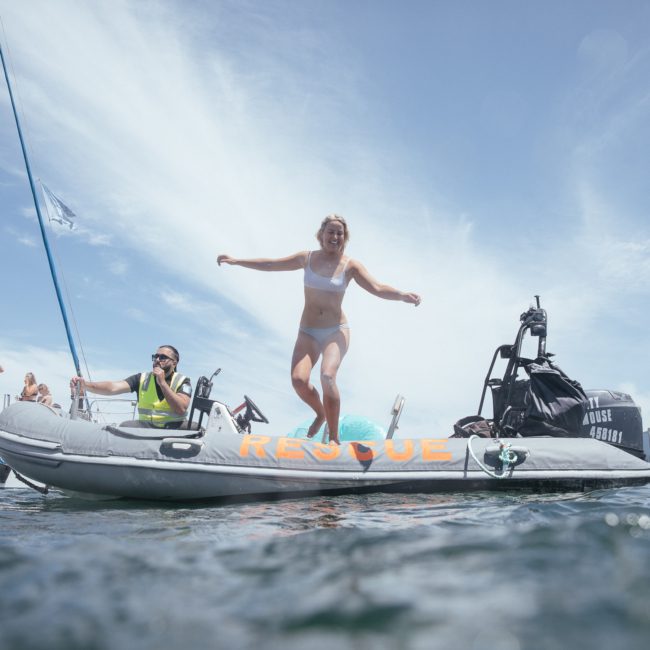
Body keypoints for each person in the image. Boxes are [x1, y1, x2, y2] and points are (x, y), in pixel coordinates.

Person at [218, 214, 421, 445]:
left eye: (339, 233)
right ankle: (320, 413)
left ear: (344, 238)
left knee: (327, 376)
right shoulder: (307, 258)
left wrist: (401, 295)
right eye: (331, 232)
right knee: (298, 381)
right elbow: (271, 264)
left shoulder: (350, 265)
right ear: (321, 235)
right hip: (308, 332)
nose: (335, 236)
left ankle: (334, 438)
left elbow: (377, 287)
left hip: (336, 330)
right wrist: (237, 261)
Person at [69, 345, 192, 429]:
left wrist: (163, 384)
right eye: (155, 357)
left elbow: (181, 408)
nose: (157, 360)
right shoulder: (142, 378)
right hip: (146, 427)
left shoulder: (183, 381)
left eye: (163, 357)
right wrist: (85, 385)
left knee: (197, 428)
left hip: (173, 427)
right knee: (125, 426)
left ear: (174, 362)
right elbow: (112, 387)